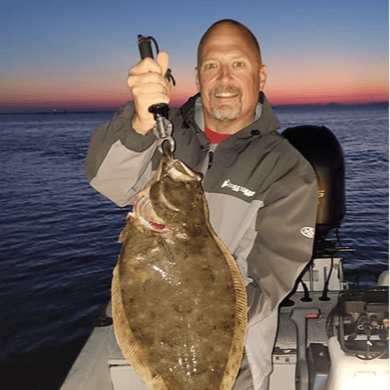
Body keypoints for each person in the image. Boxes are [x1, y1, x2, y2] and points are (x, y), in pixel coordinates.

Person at [85, 19, 318, 390]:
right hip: (153, 337)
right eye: (212, 66)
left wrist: (197, 313)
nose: (224, 78)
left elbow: (270, 278)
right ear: (197, 78)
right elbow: (108, 182)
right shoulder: (162, 131)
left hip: (233, 354)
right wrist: (140, 120)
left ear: (261, 76)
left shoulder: (288, 169)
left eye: (238, 64)